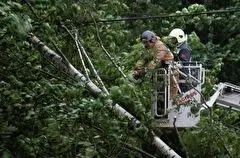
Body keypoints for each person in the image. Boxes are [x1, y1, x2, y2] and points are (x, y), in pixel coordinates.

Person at [131, 30, 179, 99]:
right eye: (143, 42)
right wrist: (137, 68)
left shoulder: (160, 46)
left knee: (171, 95)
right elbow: (143, 58)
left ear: (152, 40)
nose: (145, 44)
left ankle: (172, 104)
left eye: (146, 42)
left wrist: (144, 71)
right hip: (161, 72)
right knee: (158, 93)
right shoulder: (148, 48)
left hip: (170, 71)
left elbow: (155, 62)